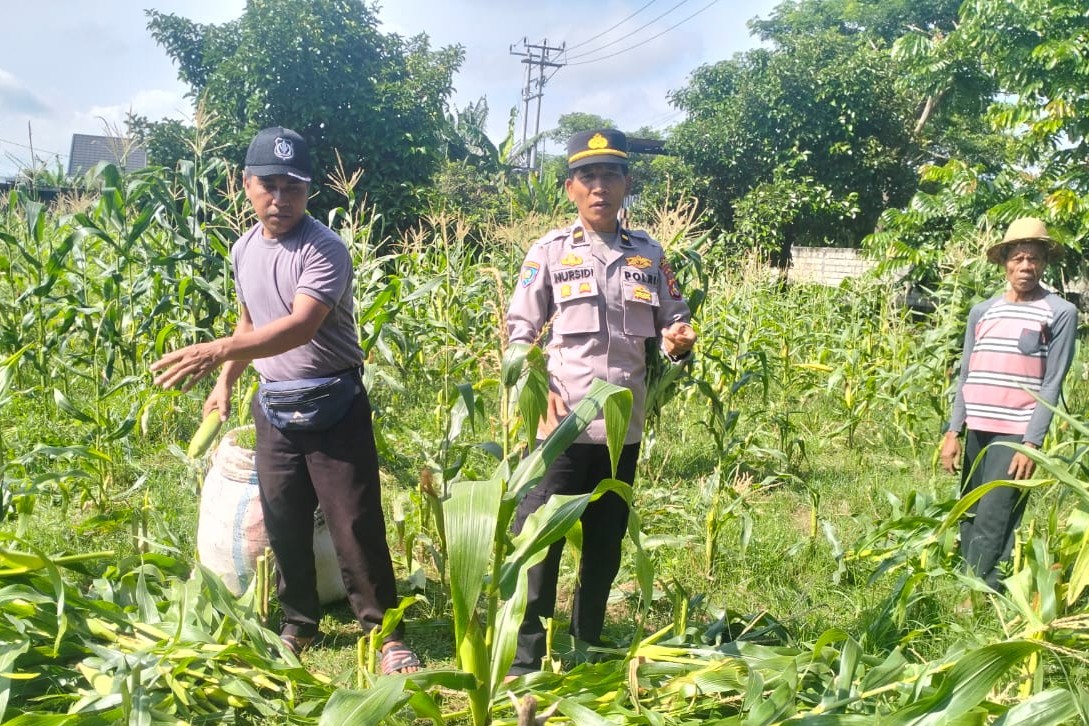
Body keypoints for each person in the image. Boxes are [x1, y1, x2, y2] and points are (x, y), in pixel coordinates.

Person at [151, 126, 419, 674]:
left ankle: (386, 633)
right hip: (274, 403)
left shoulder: (325, 249)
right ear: (246, 185)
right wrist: (226, 379)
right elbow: (250, 320)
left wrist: (217, 349)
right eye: (269, 185)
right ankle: (299, 622)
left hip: (334, 402)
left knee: (354, 522)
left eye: (293, 186)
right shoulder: (243, 248)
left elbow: (299, 327)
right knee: (284, 520)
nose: (281, 198)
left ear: (307, 191)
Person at [505, 129, 697, 676]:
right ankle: (526, 656)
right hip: (560, 426)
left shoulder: (650, 256)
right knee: (539, 543)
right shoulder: (548, 252)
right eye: (587, 177)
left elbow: (673, 322)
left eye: (610, 175)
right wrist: (532, 389)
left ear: (626, 184)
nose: (599, 187)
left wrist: (680, 342)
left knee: (605, 544)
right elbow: (519, 334)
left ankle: (587, 640)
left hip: (621, 430)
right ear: (569, 188)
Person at [940, 217, 1076, 591]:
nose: (1026, 267)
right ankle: (971, 584)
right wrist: (953, 431)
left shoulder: (1060, 312)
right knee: (969, 508)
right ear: (1004, 262)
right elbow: (966, 376)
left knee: (996, 513)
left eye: (1033, 258)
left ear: (1045, 263)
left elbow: (1051, 383)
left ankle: (980, 592)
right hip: (977, 427)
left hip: (1015, 431)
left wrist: (1030, 444)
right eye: (1017, 258)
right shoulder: (982, 312)